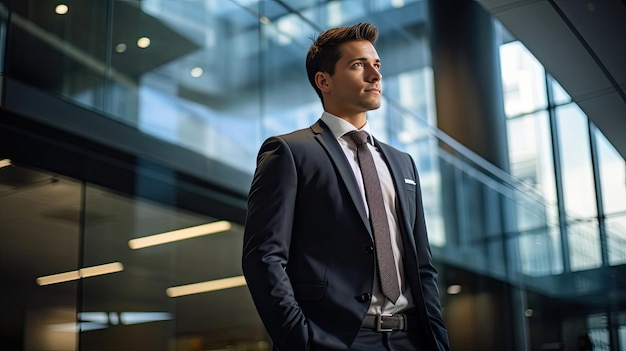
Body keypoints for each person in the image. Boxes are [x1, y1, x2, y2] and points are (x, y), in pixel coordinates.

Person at [242, 22, 449, 351]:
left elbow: (422, 264)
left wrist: (437, 339)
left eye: (377, 65)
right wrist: (301, 340)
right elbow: (264, 257)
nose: (375, 75)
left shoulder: (402, 162)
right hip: (336, 340)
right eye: (358, 65)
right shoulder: (290, 153)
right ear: (324, 81)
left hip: (413, 339)